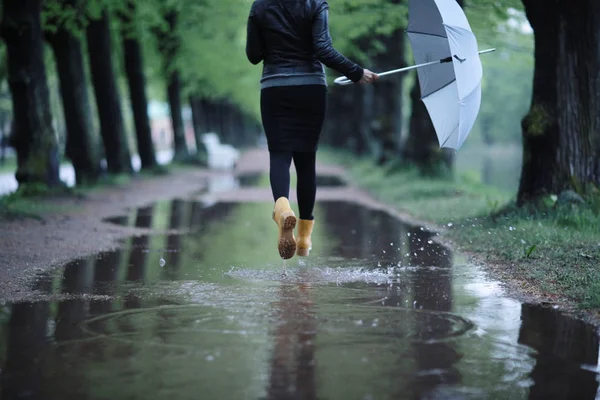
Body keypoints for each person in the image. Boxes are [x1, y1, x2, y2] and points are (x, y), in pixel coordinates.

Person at [246, 0, 378, 260]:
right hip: (310, 88)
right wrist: (356, 72)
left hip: (275, 87)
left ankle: (282, 208)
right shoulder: (316, 4)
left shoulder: (259, 6)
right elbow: (323, 49)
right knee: (306, 161)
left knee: (280, 155)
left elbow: (253, 55)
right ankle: (304, 238)